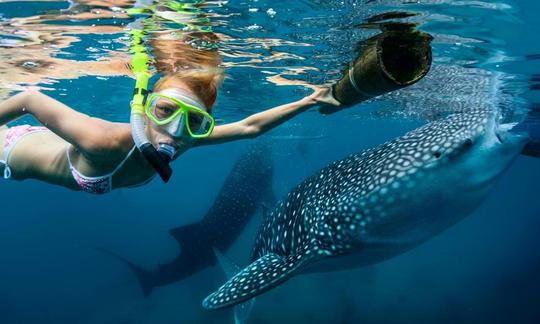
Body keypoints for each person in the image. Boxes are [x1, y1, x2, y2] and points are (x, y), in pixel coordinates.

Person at [0, 71, 339, 194]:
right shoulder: (101, 140)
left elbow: (249, 127)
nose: (174, 132)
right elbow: (29, 98)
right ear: (144, 108)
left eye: (194, 121)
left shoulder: (187, 140)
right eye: (164, 111)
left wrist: (310, 100)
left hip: (49, 147)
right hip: (10, 147)